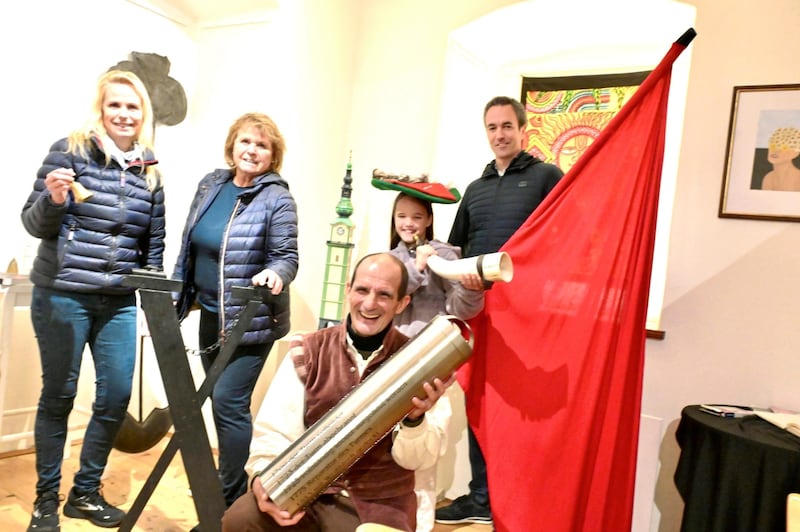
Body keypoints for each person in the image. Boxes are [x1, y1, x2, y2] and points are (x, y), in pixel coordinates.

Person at [21, 70, 165, 531]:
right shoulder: (69, 151)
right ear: (101, 109)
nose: (124, 114)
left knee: (116, 395)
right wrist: (54, 198)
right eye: (115, 105)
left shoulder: (151, 172)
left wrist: (158, 301)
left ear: (143, 115)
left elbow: (153, 246)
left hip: (119, 302)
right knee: (59, 396)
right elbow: (34, 223)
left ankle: (85, 492)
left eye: (133, 107)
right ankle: (46, 500)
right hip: (63, 295)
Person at [221, 253, 456, 531]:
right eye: (362, 290)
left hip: (380, 505)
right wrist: (262, 480)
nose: (369, 303)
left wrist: (415, 419)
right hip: (309, 494)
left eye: (384, 295)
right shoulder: (307, 349)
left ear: (401, 303)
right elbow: (274, 432)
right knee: (241, 519)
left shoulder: (423, 362)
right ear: (348, 290)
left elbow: (418, 460)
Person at [434, 95, 564, 525]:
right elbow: (456, 249)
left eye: (507, 126)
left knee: (524, 409)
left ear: (524, 130)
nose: (499, 135)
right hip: (481, 312)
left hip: (530, 316)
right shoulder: (476, 189)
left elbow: (563, 241)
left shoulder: (547, 177)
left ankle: (522, 499)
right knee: (482, 403)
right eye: (492, 127)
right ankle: (481, 498)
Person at [173, 112, 299, 512]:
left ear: (272, 154)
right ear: (233, 146)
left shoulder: (277, 197)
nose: (252, 150)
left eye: (262, 145)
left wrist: (274, 273)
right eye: (246, 141)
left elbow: (287, 257)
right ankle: (229, 485)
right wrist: (180, 293)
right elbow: (189, 242)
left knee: (229, 402)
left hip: (251, 321)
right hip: (210, 313)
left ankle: (226, 501)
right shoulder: (212, 185)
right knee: (217, 401)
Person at [386, 189, 485, 531]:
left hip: (432, 359)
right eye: (402, 216)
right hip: (394, 361)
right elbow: (395, 298)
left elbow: (462, 309)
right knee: (390, 445)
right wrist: (417, 265)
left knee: (424, 446)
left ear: (428, 219)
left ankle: (421, 521)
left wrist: (471, 287)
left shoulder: (447, 255)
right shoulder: (391, 260)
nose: (409, 223)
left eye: (416, 216)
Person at [760, 126, 800, 191]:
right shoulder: (768, 179)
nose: (776, 150)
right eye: (774, 144)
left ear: (795, 153)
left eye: (784, 147)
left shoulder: (798, 179)